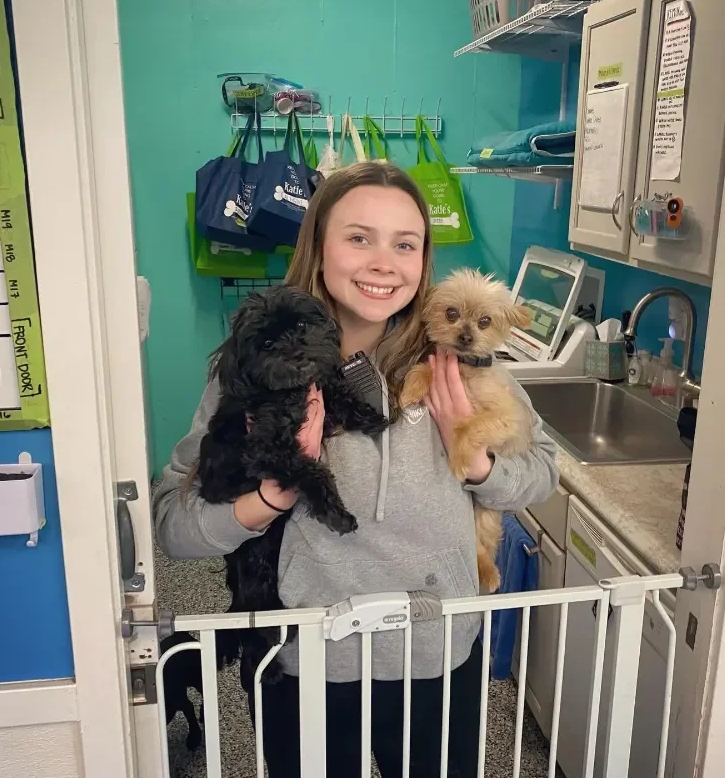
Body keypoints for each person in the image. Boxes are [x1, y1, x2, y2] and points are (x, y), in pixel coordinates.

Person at [153, 161, 558, 777]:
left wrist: (477, 463)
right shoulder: (254, 367)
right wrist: (272, 495)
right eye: (358, 237)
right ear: (318, 248)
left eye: (406, 244)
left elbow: (545, 472)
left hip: (438, 650)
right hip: (306, 659)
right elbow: (172, 527)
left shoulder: (458, 361)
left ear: (424, 262)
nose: (383, 263)